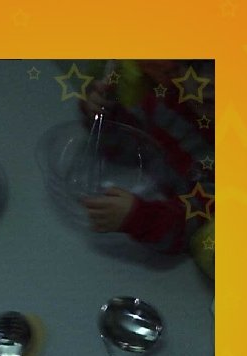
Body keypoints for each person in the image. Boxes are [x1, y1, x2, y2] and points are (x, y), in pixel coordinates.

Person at [79, 60, 215, 278]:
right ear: (178, 70)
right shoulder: (166, 102)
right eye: (198, 66)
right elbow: (123, 148)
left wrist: (137, 217)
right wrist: (103, 114)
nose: (210, 81)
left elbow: (188, 230)